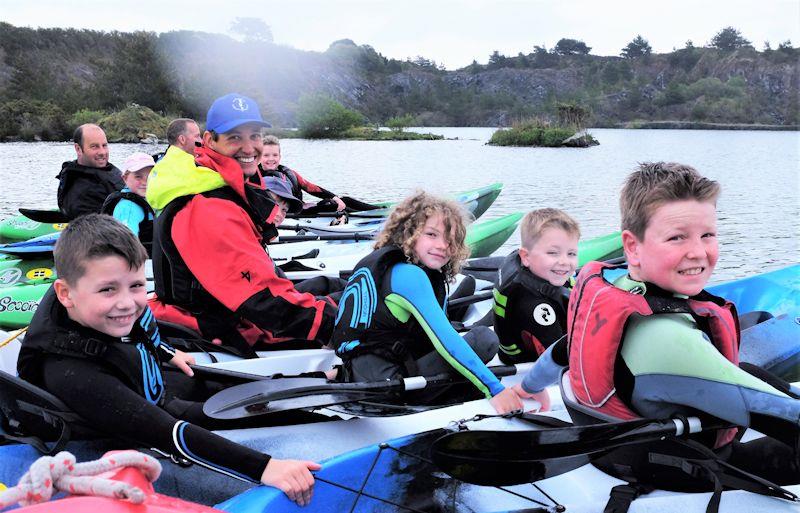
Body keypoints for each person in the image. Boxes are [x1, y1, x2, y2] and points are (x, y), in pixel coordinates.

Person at [516, 162, 799, 507]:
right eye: (677, 237)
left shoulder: (614, 288)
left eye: (707, 234)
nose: (698, 252)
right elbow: (785, 416)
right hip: (682, 467)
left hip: (622, 451)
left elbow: (566, 349)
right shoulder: (669, 341)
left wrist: (527, 387)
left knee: (749, 372)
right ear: (632, 246)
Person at [16, 214, 321, 506]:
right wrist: (265, 467)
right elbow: (166, 431)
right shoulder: (69, 371)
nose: (127, 302)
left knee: (253, 392)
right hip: (134, 425)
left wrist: (166, 352)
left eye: (136, 286)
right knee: (260, 412)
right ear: (65, 293)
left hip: (152, 389)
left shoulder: (94, 309)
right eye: (108, 290)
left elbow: (140, 329)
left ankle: (319, 384)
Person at [148, 93, 339, 354]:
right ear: (208, 140)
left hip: (227, 306)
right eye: (234, 137)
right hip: (227, 325)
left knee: (335, 285)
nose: (249, 148)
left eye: (255, 135)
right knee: (362, 307)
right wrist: (336, 325)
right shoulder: (208, 206)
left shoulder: (210, 181)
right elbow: (262, 302)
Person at [332, 191, 523, 414]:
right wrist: (495, 389)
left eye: (451, 240)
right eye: (432, 234)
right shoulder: (410, 276)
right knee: (483, 339)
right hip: (387, 392)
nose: (443, 245)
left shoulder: (394, 267)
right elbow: (446, 342)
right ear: (408, 233)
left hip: (363, 378)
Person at [493, 208, 579, 364]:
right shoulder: (535, 307)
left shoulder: (543, 273)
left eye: (571, 253)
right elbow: (559, 359)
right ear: (525, 257)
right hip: (526, 360)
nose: (565, 262)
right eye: (553, 253)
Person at [260, 135, 347, 213]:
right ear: (259, 157)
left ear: (280, 157)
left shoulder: (288, 172)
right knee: (331, 204)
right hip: (286, 213)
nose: (271, 159)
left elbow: (312, 188)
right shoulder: (253, 177)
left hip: (302, 210)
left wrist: (334, 197)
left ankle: (358, 218)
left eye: (275, 155)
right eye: (266, 155)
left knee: (343, 200)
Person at [57, 124, 124, 219]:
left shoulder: (106, 171)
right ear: (78, 149)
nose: (102, 152)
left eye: (104, 145)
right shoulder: (81, 192)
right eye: (94, 147)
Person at [101, 152, 156, 255]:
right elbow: (125, 246)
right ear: (125, 178)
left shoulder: (149, 199)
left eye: (149, 176)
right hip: (136, 262)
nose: (145, 182)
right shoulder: (128, 208)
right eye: (138, 177)